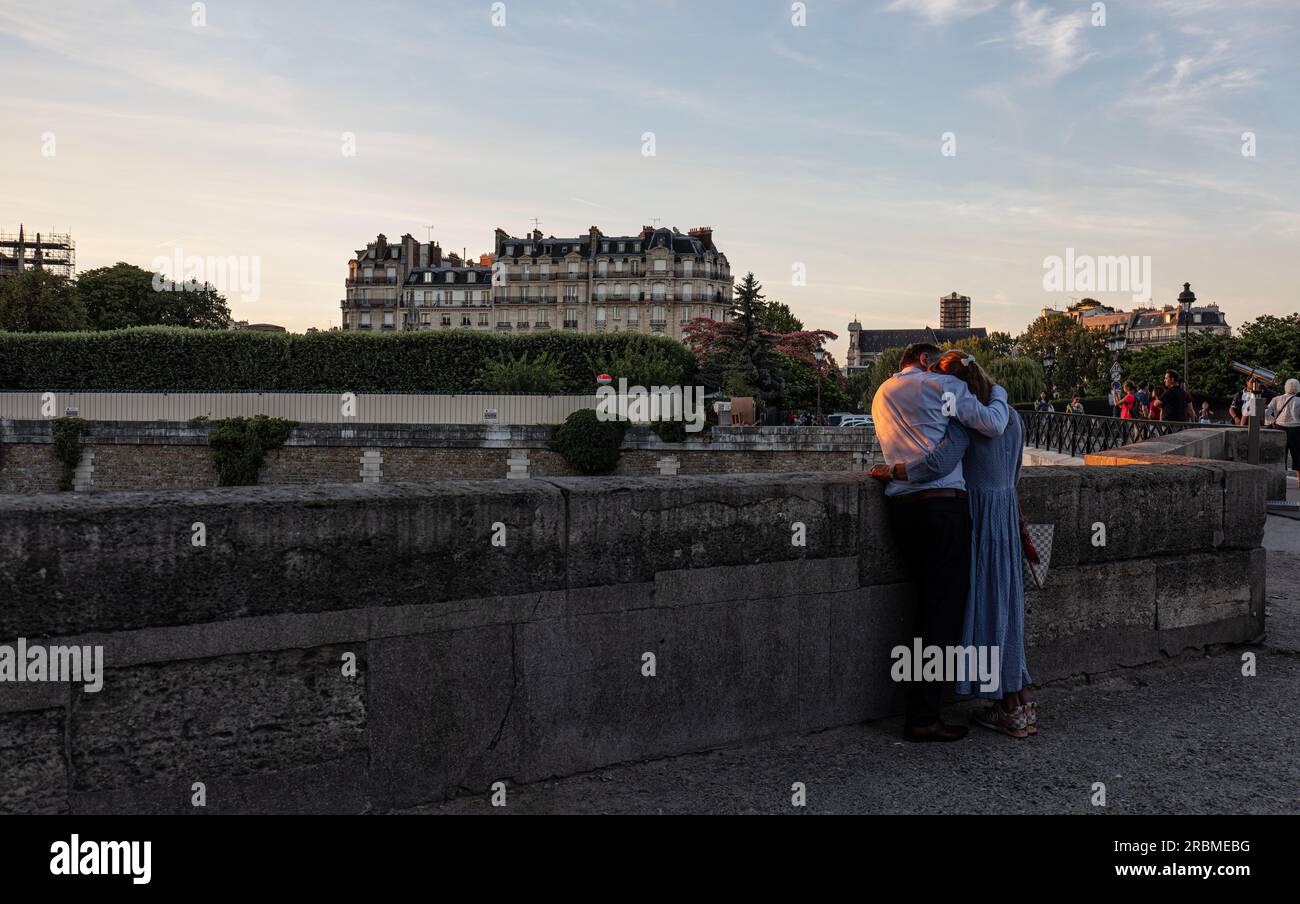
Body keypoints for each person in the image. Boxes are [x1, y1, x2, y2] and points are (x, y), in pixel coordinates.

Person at [872, 351, 1036, 738]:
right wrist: (999, 391)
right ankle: (1018, 699)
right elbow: (1011, 473)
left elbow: (941, 459)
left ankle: (991, 706)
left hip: (955, 513)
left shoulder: (898, 397)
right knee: (1004, 608)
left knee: (968, 611)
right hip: (1000, 515)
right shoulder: (1012, 418)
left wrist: (898, 471)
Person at [1265, 378, 1300, 487]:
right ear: (1297, 388)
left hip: (1279, 428)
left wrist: (1272, 421)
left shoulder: (1276, 399)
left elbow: (1266, 412)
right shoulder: (1299, 401)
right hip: (1296, 430)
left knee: (1280, 455)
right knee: (1298, 455)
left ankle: (1281, 480)